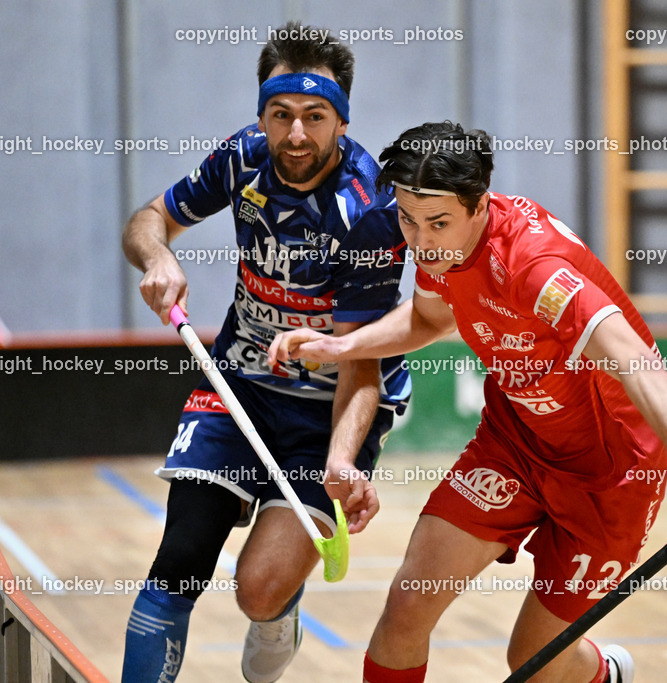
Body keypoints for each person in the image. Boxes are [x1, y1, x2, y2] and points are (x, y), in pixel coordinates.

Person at [268, 121, 667, 683]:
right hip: (515, 443)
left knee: (533, 663)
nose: (420, 241)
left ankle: (603, 674)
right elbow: (429, 317)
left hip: (612, 474)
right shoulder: (443, 248)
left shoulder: (535, 269)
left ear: (480, 204)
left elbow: (637, 361)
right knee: (408, 606)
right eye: (408, 220)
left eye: (437, 224)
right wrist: (344, 344)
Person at [119, 21, 410, 683]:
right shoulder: (242, 158)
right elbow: (149, 217)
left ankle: (281, 605)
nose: (297, 135)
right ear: (262, 115)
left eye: (315, 116)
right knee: (180, 559)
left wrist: (341, 460)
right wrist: (159, 253)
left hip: (329, 408)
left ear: (341, 120)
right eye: (281, 116)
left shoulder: (369, 209)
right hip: (238, 382)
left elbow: (363, 360)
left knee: (258, 588)